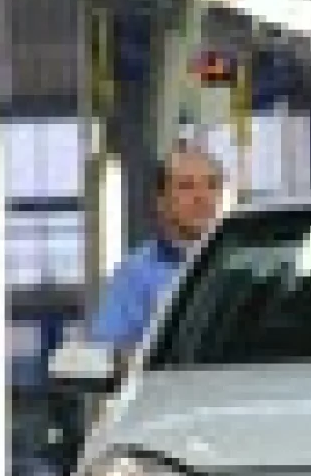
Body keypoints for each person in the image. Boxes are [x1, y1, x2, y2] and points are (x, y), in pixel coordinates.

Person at [88, 144, 224, 352]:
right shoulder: (135, 275)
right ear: (161, 201)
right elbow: (106, 351)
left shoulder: (241, 262)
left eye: (211, 185)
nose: (202, 197)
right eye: (186, 186)